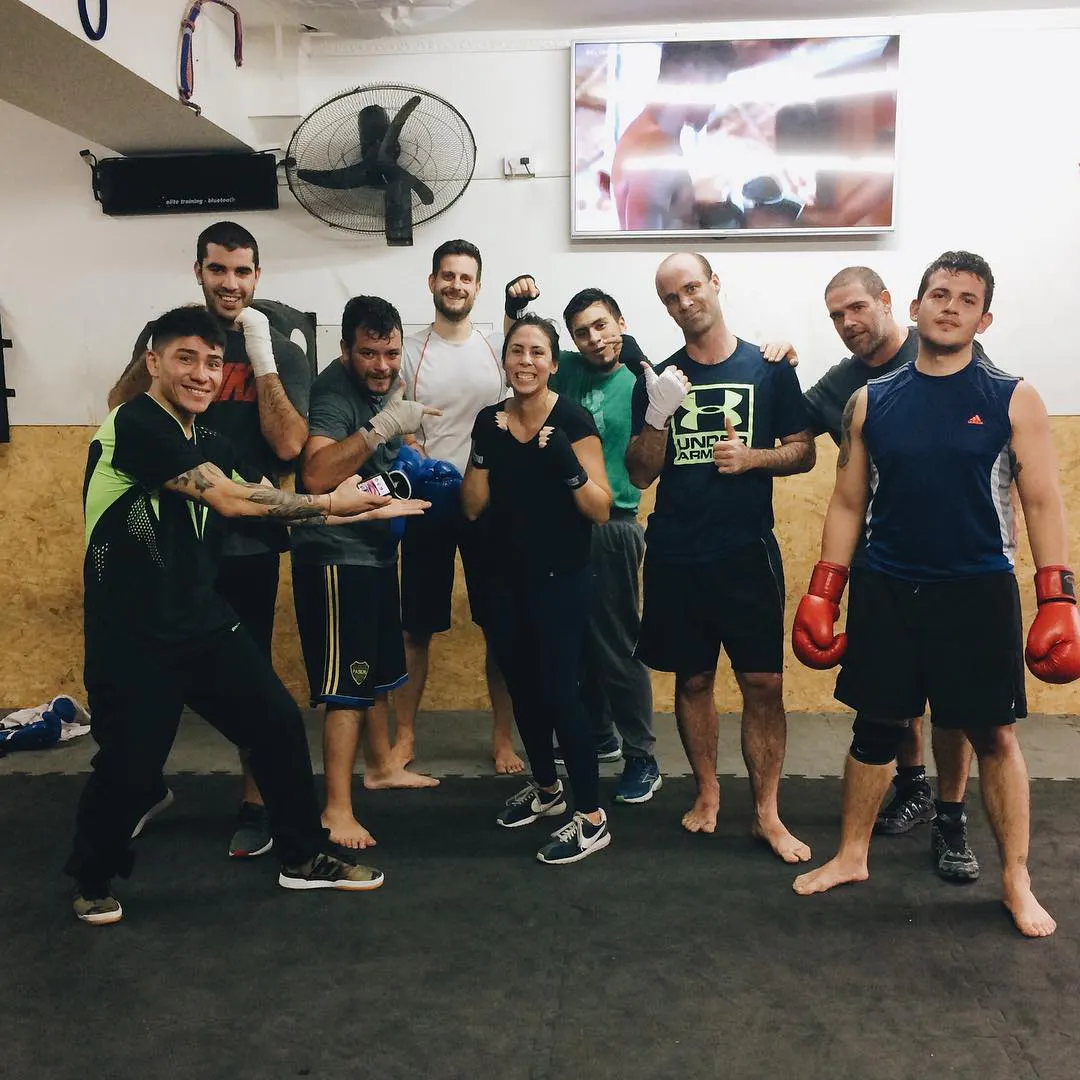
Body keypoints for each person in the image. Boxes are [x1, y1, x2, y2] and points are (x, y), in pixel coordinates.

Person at [68, 305, 429, 925]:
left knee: (275, 724)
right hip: (132, 635)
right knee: (129, 769)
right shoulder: (135, 425)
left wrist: (351, 508)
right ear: (153, 361)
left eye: (212, 363)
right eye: (186, 359)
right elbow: (232, 501)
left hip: (201, 620)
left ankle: (301, 856)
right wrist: (327, 504)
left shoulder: (205, 436)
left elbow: (262, 488)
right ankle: (92, 876)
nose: (202, 374)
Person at [791, 251, 1079, 938]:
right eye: (939, 294)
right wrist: (824, 591)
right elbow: (846, 502)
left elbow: (1041, 501)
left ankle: (1016, 877)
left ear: (985, 317)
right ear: (914, 308)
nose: (950, 306)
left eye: (966, 298)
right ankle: (853, 854)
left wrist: (1058, 598)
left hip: (975, 589)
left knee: (993, 734)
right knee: (874, 728)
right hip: (888, 585)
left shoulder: (1012, 397)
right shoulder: (871, 401)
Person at [765, 266, 986, 880]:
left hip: (954, 563)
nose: (847, 324)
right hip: (880, 562)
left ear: (890, 303)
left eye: (857, 308)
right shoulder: (842, 383)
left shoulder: (942, 348)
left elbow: (996, 445)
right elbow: (795, 433)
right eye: (835, 316)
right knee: (891, 696)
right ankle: (912, 786)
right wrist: (777, 367)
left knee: (957, 705)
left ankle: (951, 817)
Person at [107, 221, 311, 860]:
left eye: (242, 271)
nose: (231, 283)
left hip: (245, 538)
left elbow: (287, 446)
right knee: (148, 680)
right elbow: (118, 412)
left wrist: (264, 354)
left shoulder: (280, 343)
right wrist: (157, 356)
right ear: (198, 271)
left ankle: (257, 802)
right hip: (170, 543)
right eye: (218, 270)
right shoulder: (171, 336)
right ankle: (141, 789)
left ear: (258, 276)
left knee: (251, 679)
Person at [625, 252, 815, 861]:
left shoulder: (768, 367)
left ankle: (767, 813)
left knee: (763, 682)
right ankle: (707, 793)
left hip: (746, 550)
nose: (685, 303)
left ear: (714, 284)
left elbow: (805, 451)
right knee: (694, 677)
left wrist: (752, 459)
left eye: (691, 288)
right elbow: (639, 472)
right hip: (678, 552)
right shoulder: (657, 377)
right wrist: (657, 412)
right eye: (670, 297)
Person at [291, 296, 443, 852]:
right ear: (346, 350)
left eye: (391, 353)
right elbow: (315, 474)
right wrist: (381, 428)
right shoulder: (334, 392)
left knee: (379, 673)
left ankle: (381, 766)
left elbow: (382, 455)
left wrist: (410, 457)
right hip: (334, 555)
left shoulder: (383, 383)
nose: (381, 365)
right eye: (369, 354)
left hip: (373, 551)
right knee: (346, 689)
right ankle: (335, 808)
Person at [461, 315, 614, 864]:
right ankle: (548, 791)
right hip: (502, 577)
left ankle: (591, 817)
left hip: (561, 578)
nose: (525, 361)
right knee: (522, 687)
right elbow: (473, 506)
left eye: (537, 352)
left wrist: (567, 464)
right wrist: (483, 451)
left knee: (559, 691)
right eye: (516, 351)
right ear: (505, 361)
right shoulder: (489, 422)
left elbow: (601, 509)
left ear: (552, 362)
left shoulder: (571, 419)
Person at [506, 277, 661, 803]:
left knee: (617, 646)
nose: (594, 338)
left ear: (620, 323)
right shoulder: (563, 370)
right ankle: (600, 737)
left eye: (601, 325)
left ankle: (643, 756)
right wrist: (514, 305)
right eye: (582, 332)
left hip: (613, 523)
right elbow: (521, 356)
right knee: (572, 645)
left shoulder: (643, 382)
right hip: (559, 526)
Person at [396, 240, 523, 775]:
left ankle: (502, 738)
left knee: (499, 624)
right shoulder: (408, 349)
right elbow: (391, 416)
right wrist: (412, 449)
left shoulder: (498, 348)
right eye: (446, 276)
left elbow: (525, 400)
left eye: (465, 278)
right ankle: (403, 736)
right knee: (415, 627)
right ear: (432, 283)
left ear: (477, 286)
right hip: (426, 498)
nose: (455, 285)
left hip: (487, 501)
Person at [611, 41, 736, 231]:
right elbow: (642, 250)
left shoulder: (653, 139)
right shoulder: (656, 148)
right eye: (717, 80)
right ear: (690, 73)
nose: (717, 100)